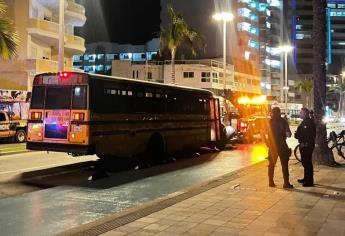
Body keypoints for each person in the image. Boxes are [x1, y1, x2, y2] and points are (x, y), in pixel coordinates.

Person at [267, 107, 293, 188]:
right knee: (284, 165)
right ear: (279, 113)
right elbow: (288, 135)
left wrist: (267, 143)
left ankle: (271, 182)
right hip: (282, 146)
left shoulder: (269, 121)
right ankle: (286, 183)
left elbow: (263, 132)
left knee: (271, 164)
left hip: (272, 147)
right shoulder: (283, 121)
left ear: (272, 113)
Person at [295, 108, 316, 187]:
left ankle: (309, 181)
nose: (300, 114)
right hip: (304, 145)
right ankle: (306, 178)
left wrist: (304, 141)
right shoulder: (305, 122)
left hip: (306, 146)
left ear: (305, 114)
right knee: (305, 163)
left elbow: (308, 135)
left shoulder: (308, 123)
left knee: (307, 163)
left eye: (301, 113)